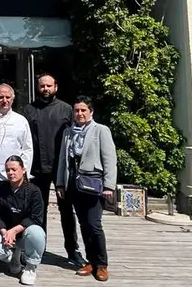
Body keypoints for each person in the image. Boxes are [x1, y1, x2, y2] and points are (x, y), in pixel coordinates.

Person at [21, 74, 83, 267]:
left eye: (49, 85)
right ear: (37, 88)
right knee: (38, 211)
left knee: (67, 211)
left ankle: (72, 250)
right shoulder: (28, 110)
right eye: (42, 86)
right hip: (36, 168)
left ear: (55, 87)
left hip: (61, 168)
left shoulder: (66, 109)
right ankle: (38, 249)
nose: (45, 89)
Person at [56, 96, 117, 282]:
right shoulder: (68, 132)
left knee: (94, 224)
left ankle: (102, 264)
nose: (80, 113)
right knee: (83, 224)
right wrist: (60, 183)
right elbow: (62, 160)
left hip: (94, 185)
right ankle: (91, 261)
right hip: (74, 185)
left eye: (83, 110)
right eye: (77, 110)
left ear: (91, 112)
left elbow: (110, 159)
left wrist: (109, 185)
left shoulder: (101, 130)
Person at [0, 156, 45, 286]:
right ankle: (11, 256)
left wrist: (14, 231)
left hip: (24, 234)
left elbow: (36, 217)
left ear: (23, 170)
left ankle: (30, 267)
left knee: (37, 233)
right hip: (5, 233)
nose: (10, 173)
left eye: (14, 169)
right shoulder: (0, 189)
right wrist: (5, 232)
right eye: (7, 170)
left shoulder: (34, 191)